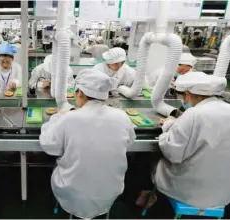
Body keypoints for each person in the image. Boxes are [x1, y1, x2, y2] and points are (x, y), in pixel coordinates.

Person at [40, 69, 136, 218]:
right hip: (109, 192)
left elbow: (49, 146)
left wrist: (56, 118)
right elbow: (130, 142)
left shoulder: (69, 118)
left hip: (72, 191)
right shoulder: (122, 117)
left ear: (81, 93)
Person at [153, 72, 230, 209]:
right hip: (223, 192)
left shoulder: (194, 114)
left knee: (147, 161)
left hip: (191, 191)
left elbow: (172, 153)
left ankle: (146, 202)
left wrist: (169, 126)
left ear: (188, 94)